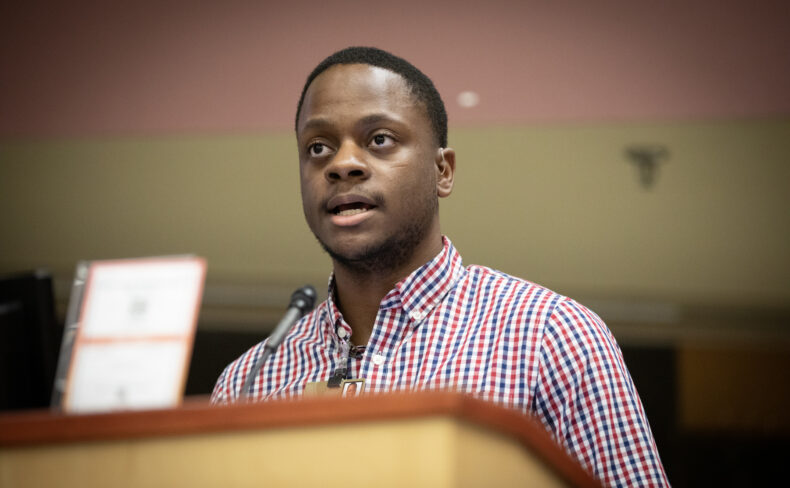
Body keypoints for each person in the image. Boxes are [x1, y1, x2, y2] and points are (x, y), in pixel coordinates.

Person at [212, 46, 669, 487]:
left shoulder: (551, 335)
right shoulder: (247, 382)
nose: (342, 164)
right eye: (318, 147)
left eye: (379, 139)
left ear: (442, 171)